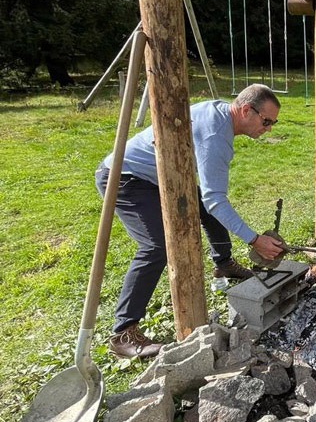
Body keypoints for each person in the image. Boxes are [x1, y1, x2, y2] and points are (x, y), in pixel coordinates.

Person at [95, 84, 285, 358]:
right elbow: (216, 200)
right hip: (124, 177)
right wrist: (255, 240)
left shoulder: (222, 113)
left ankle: (224, 264)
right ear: (246, 110)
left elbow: (211, 202)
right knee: (156, 246)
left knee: (207, 209)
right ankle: (123, 332)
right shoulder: (216, 135)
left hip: (161, 175)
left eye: (273, 123)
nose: (268, 129)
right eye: (266, 121)